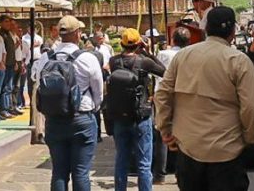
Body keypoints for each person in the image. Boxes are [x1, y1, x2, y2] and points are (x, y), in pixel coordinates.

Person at [155, 6, 254, 191]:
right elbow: (250, 107)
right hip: (227, 150)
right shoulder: (238, 60)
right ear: (233, 32)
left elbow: (162, 94)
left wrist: (165, 129)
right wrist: (249, 138)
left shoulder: (183, 56)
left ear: (206, 28)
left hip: (188, 148)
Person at [37, 16, 103, 191]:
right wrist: (94, 108)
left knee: (59, 172)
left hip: (54, 119)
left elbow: (37, 82)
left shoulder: (45, 58)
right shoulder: (87, 58)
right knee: (80, 172)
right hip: (81, 118)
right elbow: (98, 91)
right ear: (77, 34)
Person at [107, 28, 165, 191]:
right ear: (139, 43)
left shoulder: (114, 61)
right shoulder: (144, 62)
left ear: (121, 44)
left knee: (121, 160)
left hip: (120, 116)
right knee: (144, 164)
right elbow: (164, 72)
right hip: (141, 116)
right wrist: (148, 53)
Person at [152, 27, 190, 183]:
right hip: (183, 96)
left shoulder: (163, 54)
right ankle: (181, 171)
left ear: (173, 40)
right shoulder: (190, 54)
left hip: (164, 96)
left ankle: (160, 174)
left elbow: (156, 74)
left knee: (162, 135)